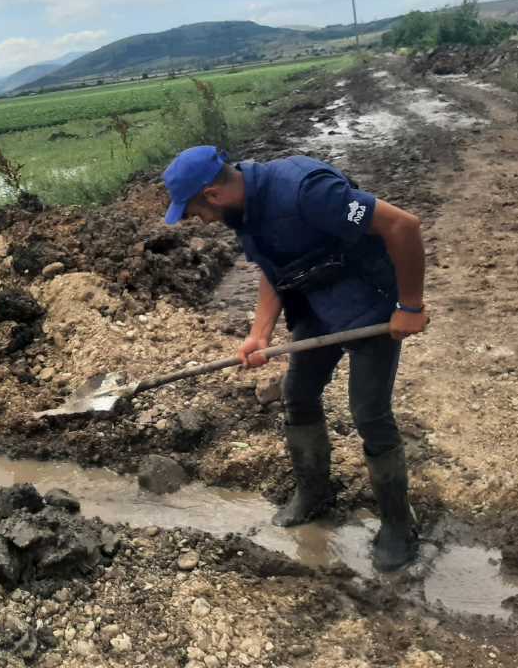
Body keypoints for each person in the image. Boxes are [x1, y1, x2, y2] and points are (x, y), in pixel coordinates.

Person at [162, 145, 428, 572]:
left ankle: (398, 523)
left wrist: (410, 306)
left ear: (212, 194)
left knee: (369, 413)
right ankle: (314, 492)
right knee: (298, 394)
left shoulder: (308, 192)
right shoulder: (244, 211)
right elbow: (274, 269)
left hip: (373, 306)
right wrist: (259, 333)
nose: (203, 222)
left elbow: (402, 225)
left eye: (195, 212)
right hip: (317, 306)